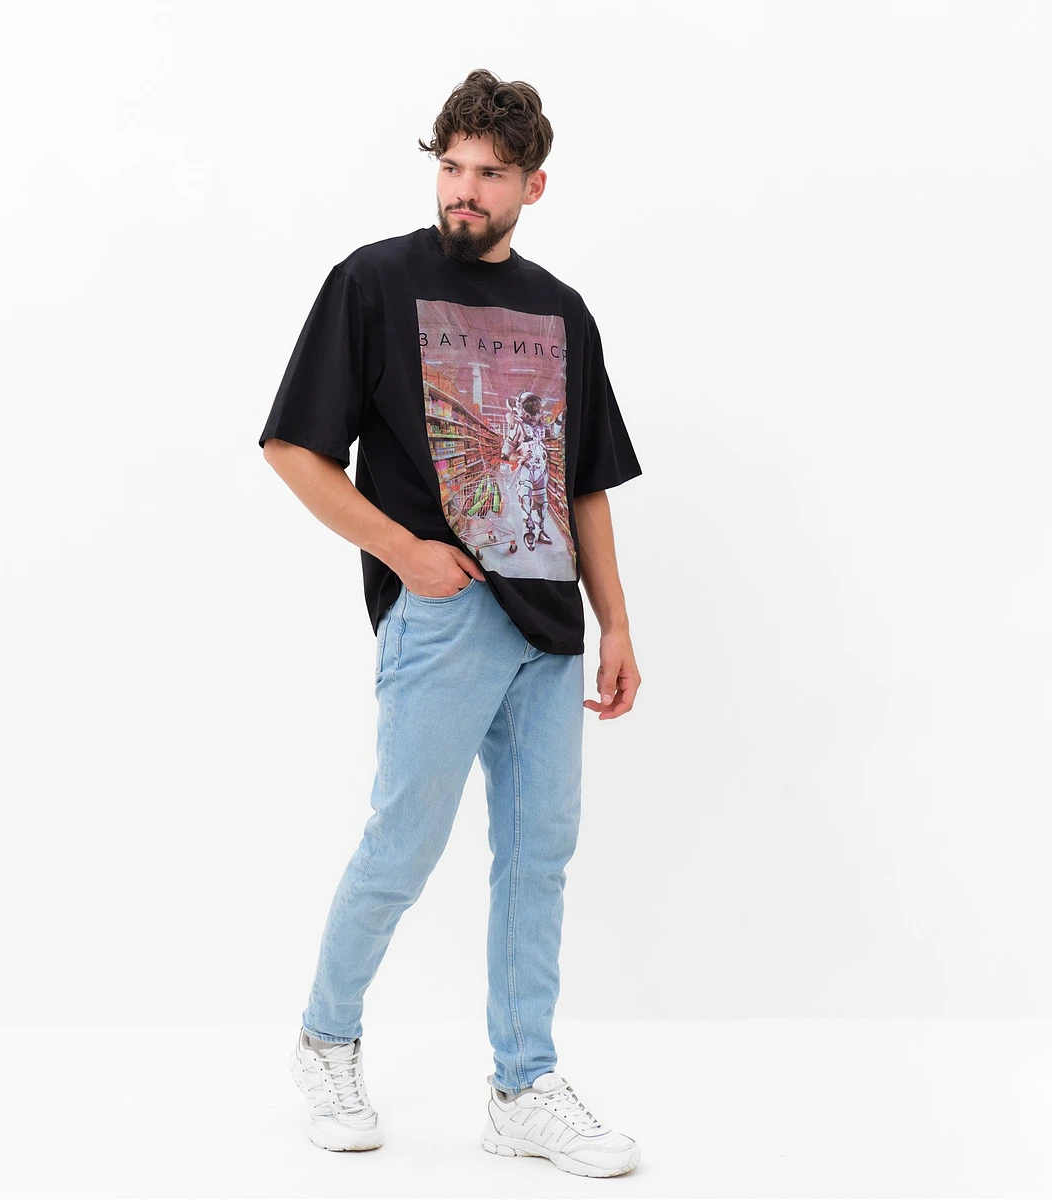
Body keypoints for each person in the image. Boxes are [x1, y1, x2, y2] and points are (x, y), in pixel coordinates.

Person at [260, 68, 644, 1178]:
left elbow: (583, 482)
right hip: (444, 618)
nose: (465, 190)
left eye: (490, 173)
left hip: (549, 629)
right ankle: (326, 1043)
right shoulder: (373, 282)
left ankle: (523, 1086)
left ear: (533, 185)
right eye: (452, 167)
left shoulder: (563, 310)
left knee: (538, 859)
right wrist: (404, 553)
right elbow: (293, 448)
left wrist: (617, 625)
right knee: (402, 847)